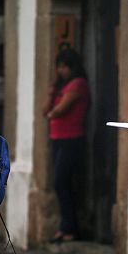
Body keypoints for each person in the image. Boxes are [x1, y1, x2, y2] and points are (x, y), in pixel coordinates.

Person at [43, 47, 90, 243]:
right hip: (58, 139)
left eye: (64, 67)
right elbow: (45, 110)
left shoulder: (78, 84)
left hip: (72, 139)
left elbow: (58, 111)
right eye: (59, 67)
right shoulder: (61, 87)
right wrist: (51, 94)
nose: (61, 71)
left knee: (62, 182)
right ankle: (65, 227)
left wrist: (52, 109)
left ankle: (71, 228)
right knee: (62, 184)